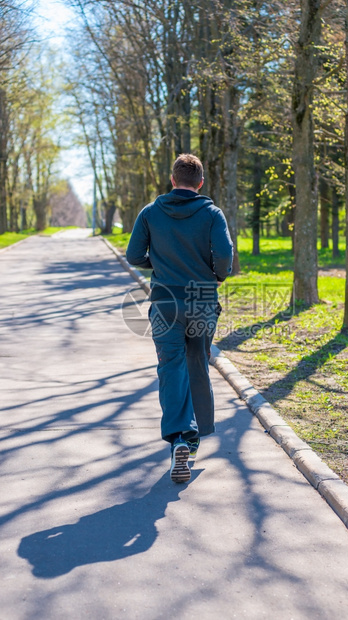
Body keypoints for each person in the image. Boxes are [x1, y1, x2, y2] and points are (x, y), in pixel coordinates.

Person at [126, 154, 233, 483]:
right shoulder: (212, 214)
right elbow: (225, 257)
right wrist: (217, 275)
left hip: (165, 301)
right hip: (201, 301)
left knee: (171, 366)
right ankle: (195, 438)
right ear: (200, 183)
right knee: (197, 363)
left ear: (173, 180)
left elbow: (133, 256)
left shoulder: (150, 213)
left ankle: (179, 438)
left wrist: (157, 264)